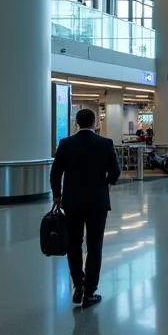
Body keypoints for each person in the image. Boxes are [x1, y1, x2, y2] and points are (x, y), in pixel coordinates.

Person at [50, 108, 121, 309]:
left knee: (74, 243)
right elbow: (115, 171)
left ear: (76, 123)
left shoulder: (66, 144)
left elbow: (55, 173)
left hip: (72, 202)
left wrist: (57, 195)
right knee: (94, 245)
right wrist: (106, 182)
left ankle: (78, 284)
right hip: (97, 202)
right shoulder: (105, 144)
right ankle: (90, 292)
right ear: (95, 122)